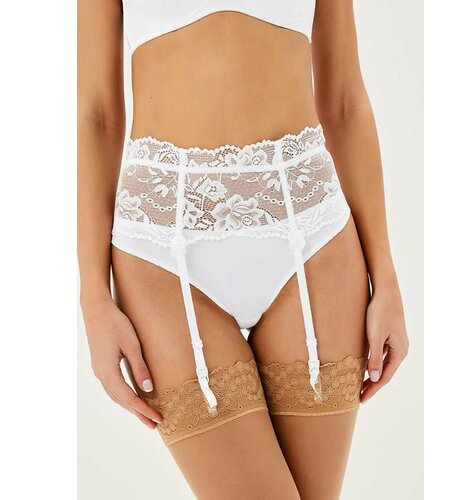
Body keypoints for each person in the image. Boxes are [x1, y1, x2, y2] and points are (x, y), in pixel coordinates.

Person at [78, 1, 409, 498]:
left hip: (310, 235)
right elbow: (97, 116)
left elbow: (344, 104)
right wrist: (93, 297)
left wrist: (386, 278)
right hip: (163, 250)